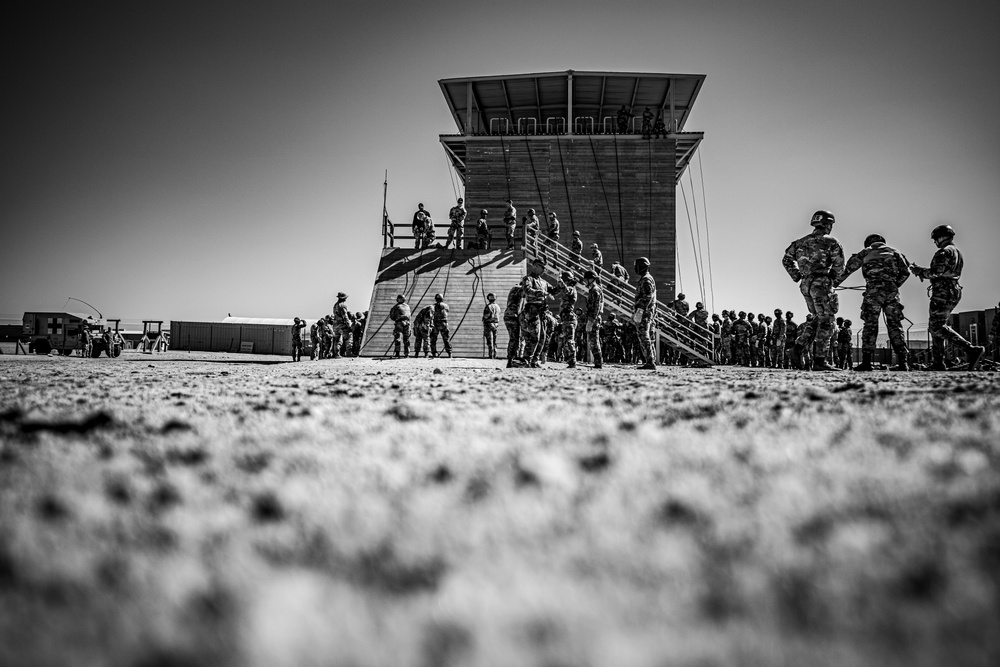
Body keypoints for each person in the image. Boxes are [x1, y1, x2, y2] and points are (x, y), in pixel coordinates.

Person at [909, 225, 985, 370]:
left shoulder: (944, 252)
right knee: (935, 325)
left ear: (942, 237)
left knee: (936, 326)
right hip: (953, 290)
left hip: (943, 291)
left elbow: (936, 272)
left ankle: (971, 349)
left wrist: (920, 271)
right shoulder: (957, 252)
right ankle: (938, 362)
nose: (935, 242)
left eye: (936, 239)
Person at [836, 232, 912, 371]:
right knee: (895, 325)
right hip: (892, 292)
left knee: (870, 325)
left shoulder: (866, 251)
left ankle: (866, 362)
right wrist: (894, 285)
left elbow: (848, 269)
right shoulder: (895, 252)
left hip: (873, 292)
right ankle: (903, 363)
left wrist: (834, 283)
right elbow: (906, 272)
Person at [782, 210, 845, 371]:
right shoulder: (831, 242)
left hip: (806, 284)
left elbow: (786, 259)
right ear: (827, 225)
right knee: (827, 322)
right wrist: (831, 277)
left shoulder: (800, 242)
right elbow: (839, 266)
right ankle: (819, 361)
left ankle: (797, 348)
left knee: (818, 318)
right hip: (821, 284)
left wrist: (796, 275)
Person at [518, 257, 549, 367]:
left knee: (542, 337)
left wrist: (560, 286)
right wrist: (539, 293)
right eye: (542, 267)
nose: (544, 270)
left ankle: (534, 361)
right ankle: (527, 360)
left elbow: (552, 291)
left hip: (542, 312)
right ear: (535, 266)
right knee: (534, 336)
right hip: (532, 310)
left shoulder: (544, 282)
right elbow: (527, 290)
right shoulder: (528, 278)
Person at [633, 257, 657, 370]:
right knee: (646, 336)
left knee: (644, 336)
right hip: (647, 311)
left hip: (645, 311)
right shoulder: (646, 278)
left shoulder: (646, 280)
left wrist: (640, 309)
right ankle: (651, 360)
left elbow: (648, 296)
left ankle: (650, 361)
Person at [552, 271, 579, 368]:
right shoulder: (567, 288)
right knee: (567, 342)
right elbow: (557, 290)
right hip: (566, 319)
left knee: (569, 341)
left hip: (569, 319)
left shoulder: (571, 289)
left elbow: (566, 290)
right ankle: (571, 362)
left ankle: (573, 362)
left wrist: (560, 281)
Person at [582, 272, 605, 366]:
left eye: (586, 279)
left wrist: (591, 321)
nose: (585, 281)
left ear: (591, 279)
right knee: (593, 340)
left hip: (594, 318)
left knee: (594, 341)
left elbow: (596, 307)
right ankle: (598, 362)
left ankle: (598, 362)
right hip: (593, 317)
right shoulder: (593, 290)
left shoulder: (595, 290)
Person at [504, 285, 523, 368]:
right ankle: (511, 360)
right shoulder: (519, 289)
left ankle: (511, 359)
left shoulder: (514, 289)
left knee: (513, 338)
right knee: (515, 339)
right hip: (513, 316)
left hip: (508, 315)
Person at [430, 293, 452, 358]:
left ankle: (434, 353)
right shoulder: (446, 306)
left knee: (433, 339)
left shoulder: (433, 306)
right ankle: (449, 353)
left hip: (435, 323)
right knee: (446, 339)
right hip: (443, 323)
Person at [332, 293, 353, 358]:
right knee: (348, 337)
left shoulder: (335, 305)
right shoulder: (342, 306)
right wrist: (349, 325)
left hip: (335, 324)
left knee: (337, 339)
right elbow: (345, 316)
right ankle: (349, 353)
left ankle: (337, 354)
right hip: (342, 324)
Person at [482, 292, 501, 359]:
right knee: (494, 341)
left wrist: (483, 320)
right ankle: (495, 354)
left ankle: (491, 355)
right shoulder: (497, 306)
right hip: (496, 325)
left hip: (489, 325)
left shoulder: (488, 307)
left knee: (490, 341)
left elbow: (486, 317)